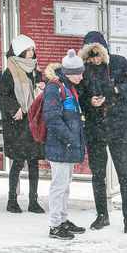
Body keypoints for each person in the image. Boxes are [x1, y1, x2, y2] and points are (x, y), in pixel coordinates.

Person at [77, 31, 127, 234]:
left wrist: (116, 90)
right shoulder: (82, 70)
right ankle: (101, 215)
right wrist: (89, 102)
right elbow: (76, 95)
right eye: (91, 56)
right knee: (98, 174)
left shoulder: (119, 62)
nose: (95, 60)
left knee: (125, 174)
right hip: (94, 127)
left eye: (98, 55)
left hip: (119, 126)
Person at [0, 35, 46, 214]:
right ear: (19, 52)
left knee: (33, 162)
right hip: (17, 123)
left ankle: (33, 201)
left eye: (32, 50)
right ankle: (12, 200)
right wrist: (14, 108)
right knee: (18, 162)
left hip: (32, 122)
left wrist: (42, 85)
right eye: (27, 51)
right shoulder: (10, 71)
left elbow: (36, 92)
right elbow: (0, 95)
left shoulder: (35, 70)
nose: (31, 54)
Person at [43, 49, 87, 240]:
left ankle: (62, 220)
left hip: (67, 146)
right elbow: (52, 119)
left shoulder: (68, 87)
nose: (81, 76)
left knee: (65, 186)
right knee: (58, 186)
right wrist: (69, 138)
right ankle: (55, 226)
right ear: (68, 73)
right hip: (60, 145)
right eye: (78, 72)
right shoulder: (55, 88)